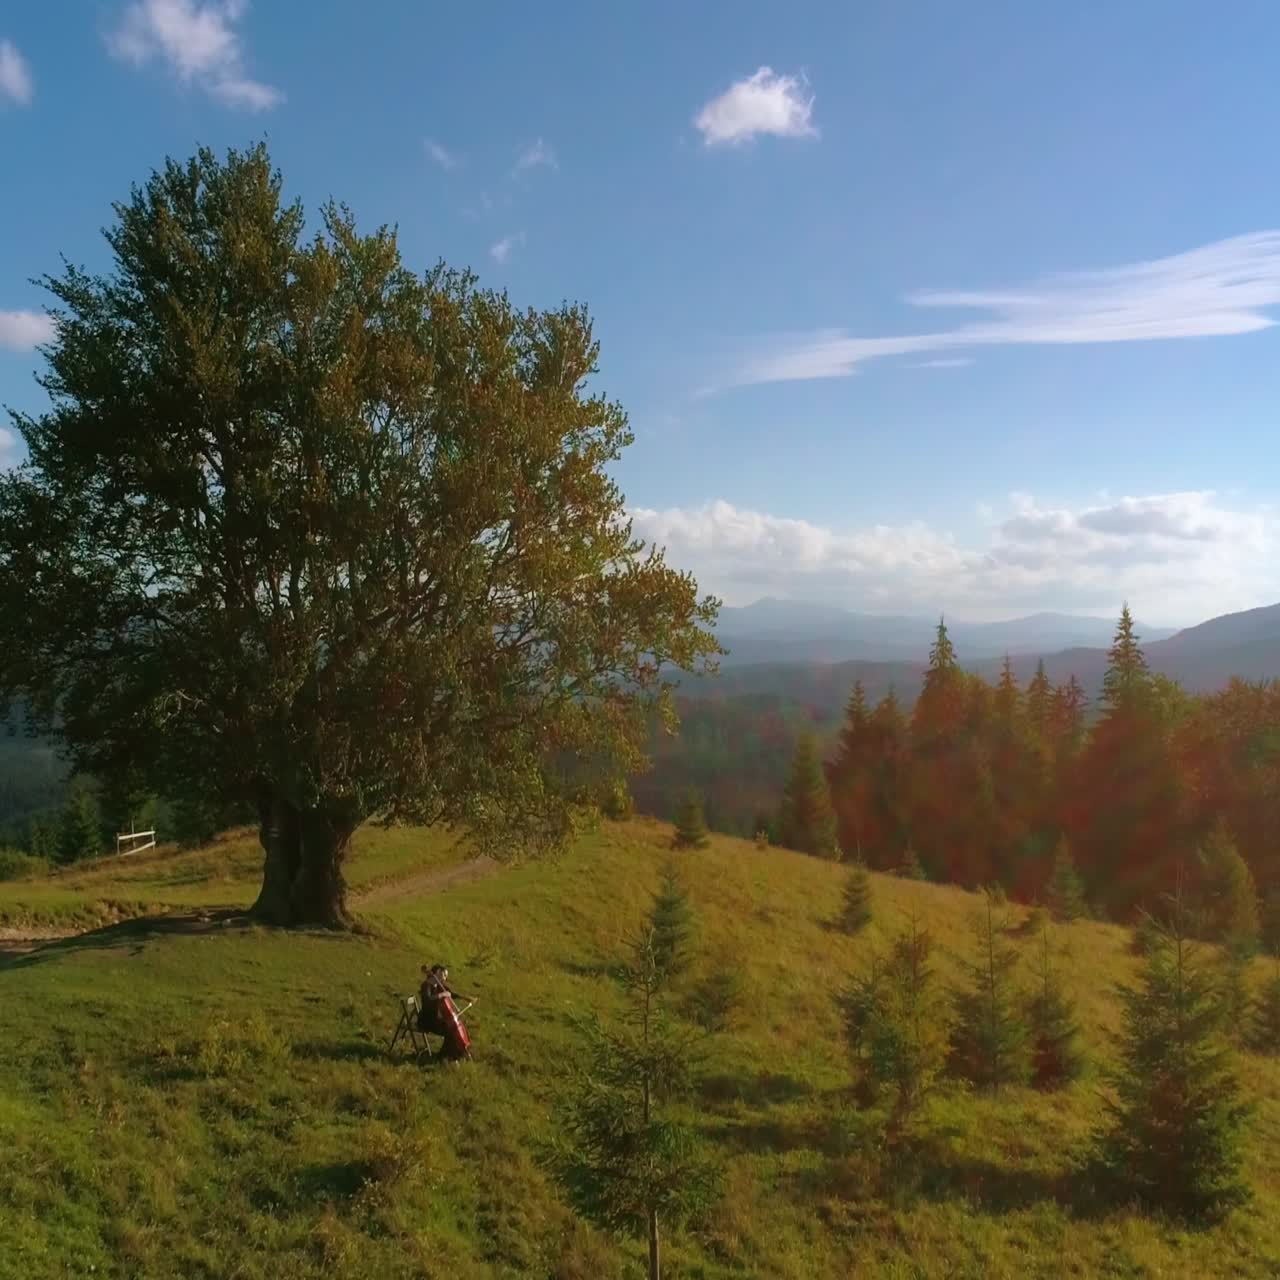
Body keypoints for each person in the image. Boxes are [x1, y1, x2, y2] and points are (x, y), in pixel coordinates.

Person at [417, 963, 472, 1057]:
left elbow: (450, 993)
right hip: (427, 1020)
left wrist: (465, 998)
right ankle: (445, 1056)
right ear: (438, 972)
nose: (445, 978)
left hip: (436, 1019)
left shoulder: (438, 986)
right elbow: (428, 1000)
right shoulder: (426, 985)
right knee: (451, 1030)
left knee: (453, 1028)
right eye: (444, 975)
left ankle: (450, 1054)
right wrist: (441, 995)